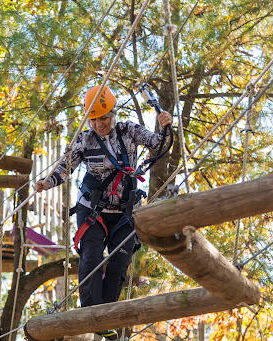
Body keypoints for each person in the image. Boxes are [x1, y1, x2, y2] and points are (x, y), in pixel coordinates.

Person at [35, 85, 172, 340]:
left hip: (123, 212)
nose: (100, 124)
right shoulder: (84, 139)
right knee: (92, 257)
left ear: (113, 114)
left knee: (120, 261)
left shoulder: (128, 131)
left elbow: (158, 144)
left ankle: (105, 315)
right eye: (95, 119)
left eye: (104, 118)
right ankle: (90, 312)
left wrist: (165, 125)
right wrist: (47, 182)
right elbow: (66, 167)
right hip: (93, 210)